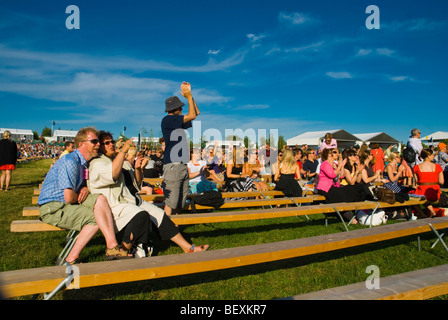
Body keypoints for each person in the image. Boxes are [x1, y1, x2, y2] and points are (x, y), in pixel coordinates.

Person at [89, 131, 209, 255]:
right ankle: (123, 250)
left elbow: (137, 183)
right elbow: (112, 175)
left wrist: (138, 168)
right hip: (115, 204)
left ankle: (187, 247)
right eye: (106, 143)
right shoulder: (99, 162)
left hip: (133, 199)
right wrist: (123, 151)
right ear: (100, 146)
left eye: (112, 142)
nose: (111, 145)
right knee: (141, 216)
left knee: (161, 216)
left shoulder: (120, 161)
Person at [37, 127, 131, 264]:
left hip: (66, 203)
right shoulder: (70, 161)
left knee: (99, 198)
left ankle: (112, 246)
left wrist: (84, 188)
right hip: (53, 208)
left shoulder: (83, 163)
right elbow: (69, 197)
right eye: (94, 141)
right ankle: (71, 258)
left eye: (98, 141)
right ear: (81, 144)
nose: (98, 144)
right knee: (94, 218)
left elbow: (78, 187)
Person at [161, 81, 199, 216]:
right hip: (173, 164)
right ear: (175, 108)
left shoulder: (177, 122)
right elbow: (193, 115)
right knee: (171, 202)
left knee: (179, 202)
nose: (182, 110)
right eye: (180, 108)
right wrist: (188, 97)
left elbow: (196, 113)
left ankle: (175, 228)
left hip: (181, 164)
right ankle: (166, 231)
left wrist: (191, 96)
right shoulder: (168, 120)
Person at [409, 149, 444, 217]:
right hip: (434, 192)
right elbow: (442, 182)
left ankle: (423, 214)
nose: (434, 156)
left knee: (411, 196)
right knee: (425, 198)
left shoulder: (416, 167)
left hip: (422, 191)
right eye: (432, 154)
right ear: (428, 156)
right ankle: (431, 212)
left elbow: (416, 181)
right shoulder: (437, 167)